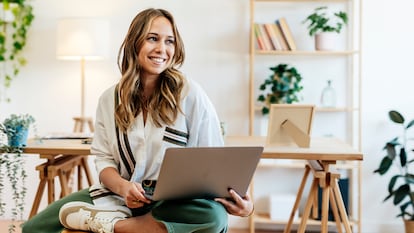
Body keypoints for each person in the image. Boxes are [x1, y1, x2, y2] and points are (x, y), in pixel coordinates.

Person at [22, 8, 254, 233]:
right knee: (35, 227)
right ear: (135, 42)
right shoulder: (109, 100)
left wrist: (247, 207)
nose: (162, 49)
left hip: (176, 204)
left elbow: (213, 161)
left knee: (212, 217)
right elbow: (104, 162)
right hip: (119, 197)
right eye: (153, 38)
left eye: (169, 41)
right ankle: (134, 224)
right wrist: (123, 188)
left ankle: (112, 226)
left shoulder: (191, 94)